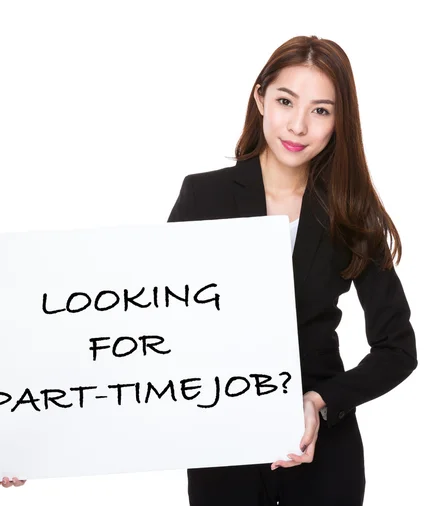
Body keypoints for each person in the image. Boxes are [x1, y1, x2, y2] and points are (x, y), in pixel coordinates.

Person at [166, 35, 418, 505]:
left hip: (323, 453)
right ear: (260, 98)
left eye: (321, 110)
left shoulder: (351, 215)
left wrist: (319, 404)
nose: (298, 125)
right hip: (222, 449)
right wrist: (23, 444)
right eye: (286, 101)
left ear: (339, 123)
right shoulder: (203, 197)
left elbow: (398, 350)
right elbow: (147, 328)